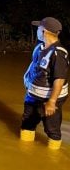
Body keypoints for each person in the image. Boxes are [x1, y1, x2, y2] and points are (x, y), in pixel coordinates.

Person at [21, 17, 69, 150]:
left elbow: (59, 79)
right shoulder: (40, 47)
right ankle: (24, 152)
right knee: (27, 124)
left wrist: (52, 102)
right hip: (33, 96)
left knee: (51, 129)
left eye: (38, 29)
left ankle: (53, 158)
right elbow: (34, 65)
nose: (37, 31)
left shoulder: (58, 53)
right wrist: (27, 78)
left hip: (49, 100)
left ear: (44, 31)